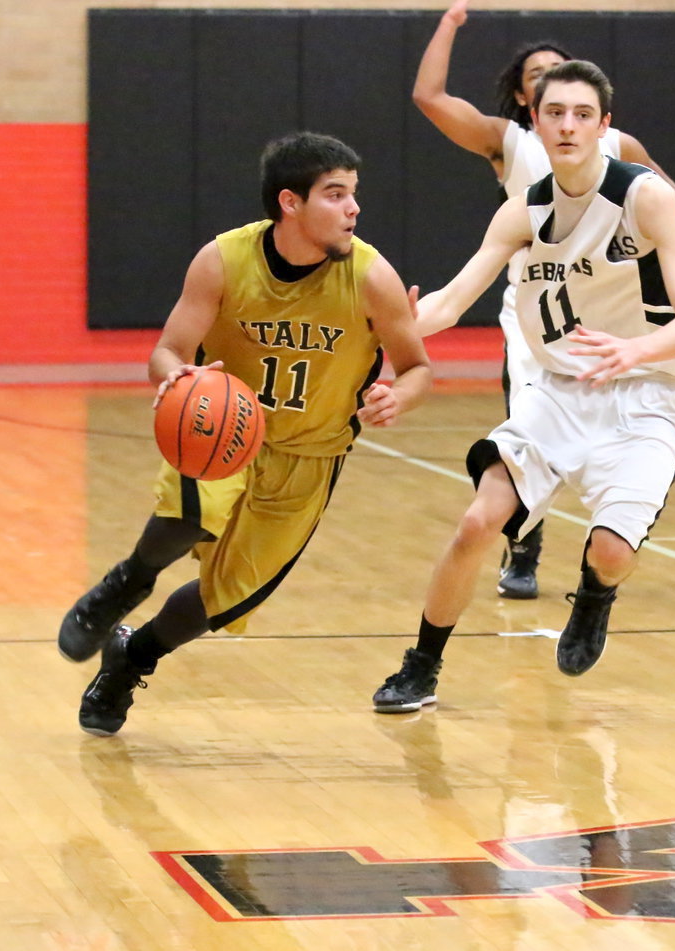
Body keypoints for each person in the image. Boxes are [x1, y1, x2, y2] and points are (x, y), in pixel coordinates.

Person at [61, 131, 432, 736]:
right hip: (223, 427)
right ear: (291, 202)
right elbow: (167, 351)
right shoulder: (223, 260)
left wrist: (398, 395)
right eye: (336, 194)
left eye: (354, 194)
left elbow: (417, 368)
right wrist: (177, 376)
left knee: (228, 597)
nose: (353, 208)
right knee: (188, 518)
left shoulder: (372, 276)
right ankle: (127, 581)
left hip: (310, 455)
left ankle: (131, 658)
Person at [372, 59, 675, 713]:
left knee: (611, 551)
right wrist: (404, 324)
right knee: (477, 521)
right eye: (555, 113)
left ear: (605, 126)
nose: (568, 126)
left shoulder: (646, 197)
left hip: (652, 391)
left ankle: (595, 589)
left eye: (583, 114)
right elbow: (453, 299)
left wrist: (632, 348)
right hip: (559, 388)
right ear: (534, 120)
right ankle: (421, 664)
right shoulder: (523, 211)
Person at [412, 0, 675, 601]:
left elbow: (671, 207)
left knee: (608, 449)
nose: (564, 116)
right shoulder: (509, 143)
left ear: (598, 118)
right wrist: (448, 24)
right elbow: (430, 98)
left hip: (610, 313)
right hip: (538, 311)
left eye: (576, 101)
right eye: (541, 81)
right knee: (522, 445)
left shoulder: (622, 155)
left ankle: (605, 553)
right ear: (528, 104)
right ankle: (523, 547)